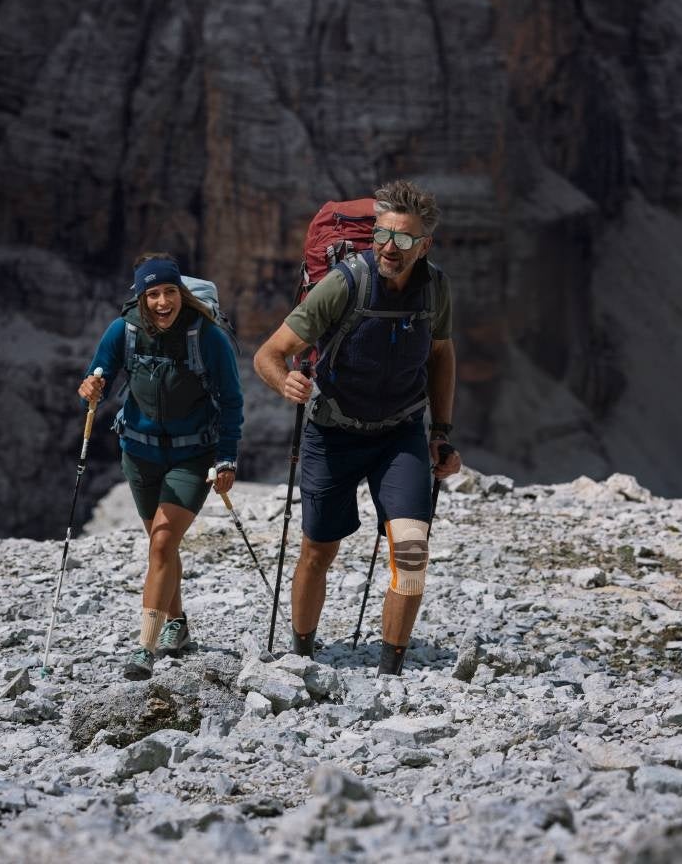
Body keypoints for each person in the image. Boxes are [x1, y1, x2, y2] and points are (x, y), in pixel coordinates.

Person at [253, 179, 462, 675]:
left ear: (425, 245)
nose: (392, 248)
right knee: (318, 552)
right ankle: (302, 655)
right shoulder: (343, 283)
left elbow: (441, 354)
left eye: (406, 239)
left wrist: (442, 432)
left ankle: (391, 671)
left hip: (400, 434)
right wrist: (286, 384)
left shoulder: (436, 288)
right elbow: (268, 354)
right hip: (332, 432)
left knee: (411, 551)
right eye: (384, 236)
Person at [79, 253, 243, 680]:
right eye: (153, 294)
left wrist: (227, 457)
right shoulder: (124, 331)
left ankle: (143, 649)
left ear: (181, 293)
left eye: (170, 292)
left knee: (162, 542)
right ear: (141, 297)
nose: (163, 301)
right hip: (139, 454)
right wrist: (90, 387)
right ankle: (177, 623)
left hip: (193, 456)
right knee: (161, 545)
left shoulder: (206, 336)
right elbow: (97, 378)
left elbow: (231, 400)